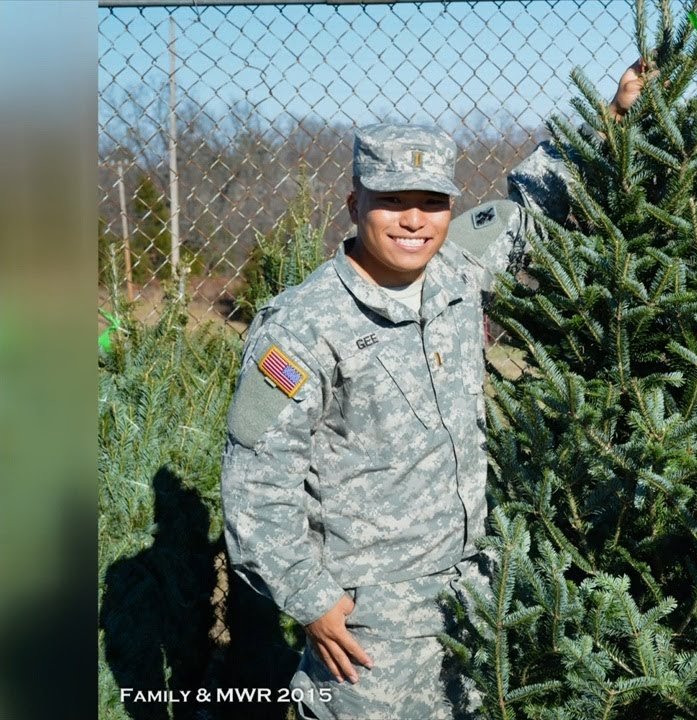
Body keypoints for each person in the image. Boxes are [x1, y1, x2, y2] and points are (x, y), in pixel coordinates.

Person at [220, 63, 646, 720]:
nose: (414, 220)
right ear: (354, 205)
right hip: (369, 635)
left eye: (432, 202)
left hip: (470, 604)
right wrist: (310, 599)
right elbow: (254, 482)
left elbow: (527, 203)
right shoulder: (300, 331)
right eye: (393, 201)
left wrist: (613, 114)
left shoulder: (458, 269)